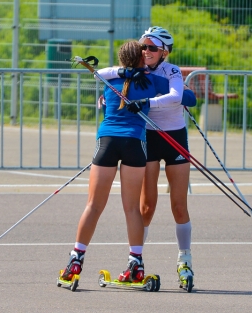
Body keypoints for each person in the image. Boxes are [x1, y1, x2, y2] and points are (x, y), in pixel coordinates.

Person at [60, 40, 174, 284]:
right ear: (141, 59)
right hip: (134, 143)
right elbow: (181, 94)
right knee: (132, 208)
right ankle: (136, 263)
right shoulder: (151, 81)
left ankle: (76, 260)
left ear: (121, 60)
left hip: (108, 142)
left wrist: (122, 73)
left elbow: (103, 85)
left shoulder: (108, 80)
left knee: (93, 205)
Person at [96, 26, 196, 288]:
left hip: (174, 137)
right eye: (143, 47)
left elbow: (180, 96)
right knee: (146, 206)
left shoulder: (170, 71)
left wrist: (147, 102)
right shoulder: (133, 70)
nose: (146, 51)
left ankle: (184, 261)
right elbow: (111, 82)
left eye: (152, 47)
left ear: (164, 52)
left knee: (178, 205)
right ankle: (135, 261)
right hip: (148, 137)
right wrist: (105, 98)